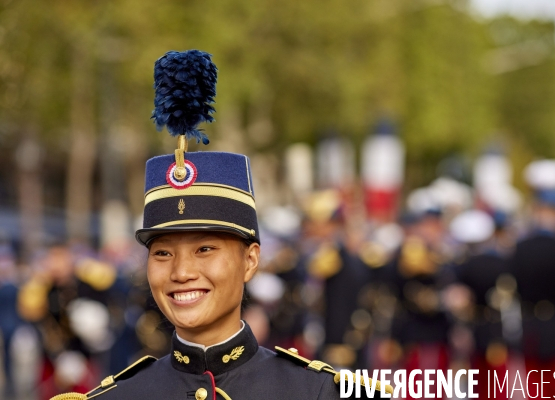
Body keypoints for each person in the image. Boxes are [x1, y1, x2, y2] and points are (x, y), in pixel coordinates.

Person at [50, 50, 391, 400]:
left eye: (204, 249)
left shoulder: (320, 392)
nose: (181, 271)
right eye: (163, 253)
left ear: (251, 260)